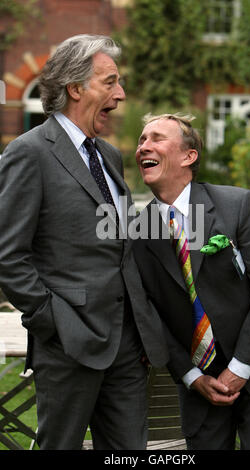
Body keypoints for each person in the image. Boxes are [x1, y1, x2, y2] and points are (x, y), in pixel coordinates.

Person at [0, 35, 169, 450]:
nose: (121, 94)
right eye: (110, 82)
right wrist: (51, 320)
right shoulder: (29, 152)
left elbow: (118, 245)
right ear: (75, 89)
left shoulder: (109, 155)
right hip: (68, 344)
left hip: (127, 345)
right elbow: (7, 255)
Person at [133, 112, 250, 450]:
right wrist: (193, 378)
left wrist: (241, 367)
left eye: (156, 138)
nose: (143, 147)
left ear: (188, 155)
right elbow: (150, 314)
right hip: (201, 384)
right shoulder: (138, 232)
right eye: (141, 140)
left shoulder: (237, 205)